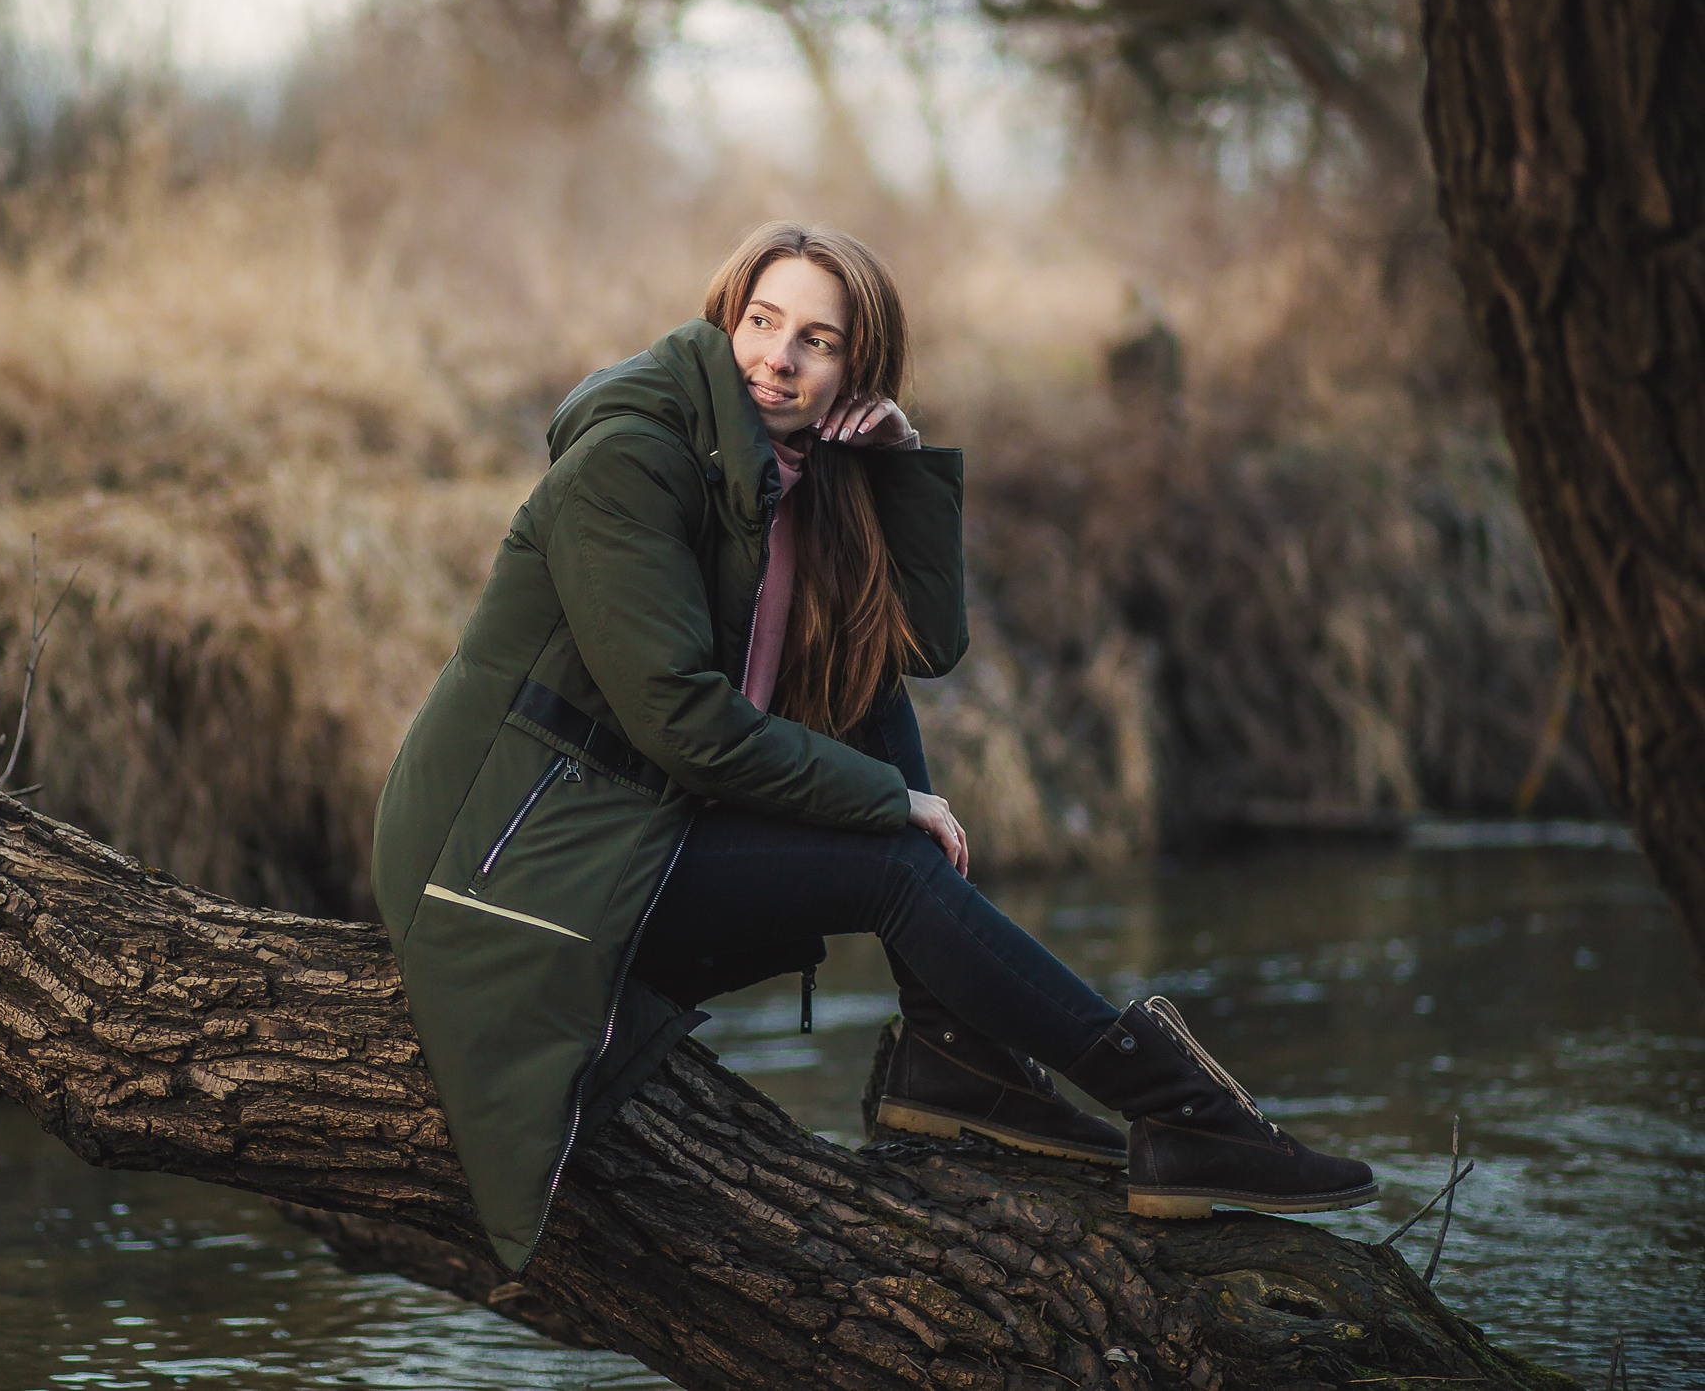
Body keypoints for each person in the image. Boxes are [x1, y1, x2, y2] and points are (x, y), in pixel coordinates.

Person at [372, 222, 1376, 1274]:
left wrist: (897, 471)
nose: (778, 358)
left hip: (618, 820)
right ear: (724, 319)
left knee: (864, 686)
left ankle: (950, 1051)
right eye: (761, 323)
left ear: (858, 368)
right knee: (894, 865)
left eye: (818, 340)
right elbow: (683, 723)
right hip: (508, 863)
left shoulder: (787, 474)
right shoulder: (633, 462)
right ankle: (1171, 1104)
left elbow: (921, 648)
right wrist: (889, 803)